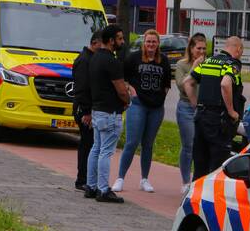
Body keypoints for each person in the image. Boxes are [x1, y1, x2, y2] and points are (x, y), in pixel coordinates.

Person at [113, 29, 172, 193]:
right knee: (132, 142)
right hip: (138, 104)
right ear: (143, 42)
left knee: (148, 144)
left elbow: (167, 83)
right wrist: (131, 90)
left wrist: (162, 97)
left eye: (154, 42)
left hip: (156, 108)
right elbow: (123, 78)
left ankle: (144, 179)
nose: (151, 44)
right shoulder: (134, 58)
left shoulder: (164, 60)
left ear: (158, 43)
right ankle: (120, 178)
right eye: (148, 41)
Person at [184, 36, 244, 179]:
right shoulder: (232, 63)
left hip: (201, 118)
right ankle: (213, 200)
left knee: (200, 165)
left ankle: (195, 198)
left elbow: (188, 82)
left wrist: (195, 104)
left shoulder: (209, 61)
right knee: (218, 167)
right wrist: (231, 111)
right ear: (239, 49)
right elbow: (225, 83)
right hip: (219, 121)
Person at [86, 24, 129, 203]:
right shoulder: (112, 61)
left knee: (96, 148)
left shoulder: (95, 58)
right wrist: (127, 100)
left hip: (97, 110)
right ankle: (103, 190)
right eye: (119, 38)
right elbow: (120, 88)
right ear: (111, 40)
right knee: (106, 151)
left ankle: (91, 185)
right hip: (110, 112)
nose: (122, 42)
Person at [173, 33, 206, 196]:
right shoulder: (182, 64)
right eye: (198, 48)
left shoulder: (208, 64)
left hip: (203, 108)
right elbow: (180, 84)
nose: (202, 51)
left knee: (201, 146)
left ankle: (198, 180)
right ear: (191, 49)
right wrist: (194, 69)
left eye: (204, 48)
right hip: (186, 107)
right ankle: (186, 181)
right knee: (189, 145)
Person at [71, 31, 101, 193]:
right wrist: (86, 112)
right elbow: (82, 89)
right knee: (86, 145)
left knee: (88, 144)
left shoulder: (90, 59)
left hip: (86, 108)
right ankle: (82, 179)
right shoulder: (84, 61)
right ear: (95, 43)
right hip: (84, 110)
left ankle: (86, 178)